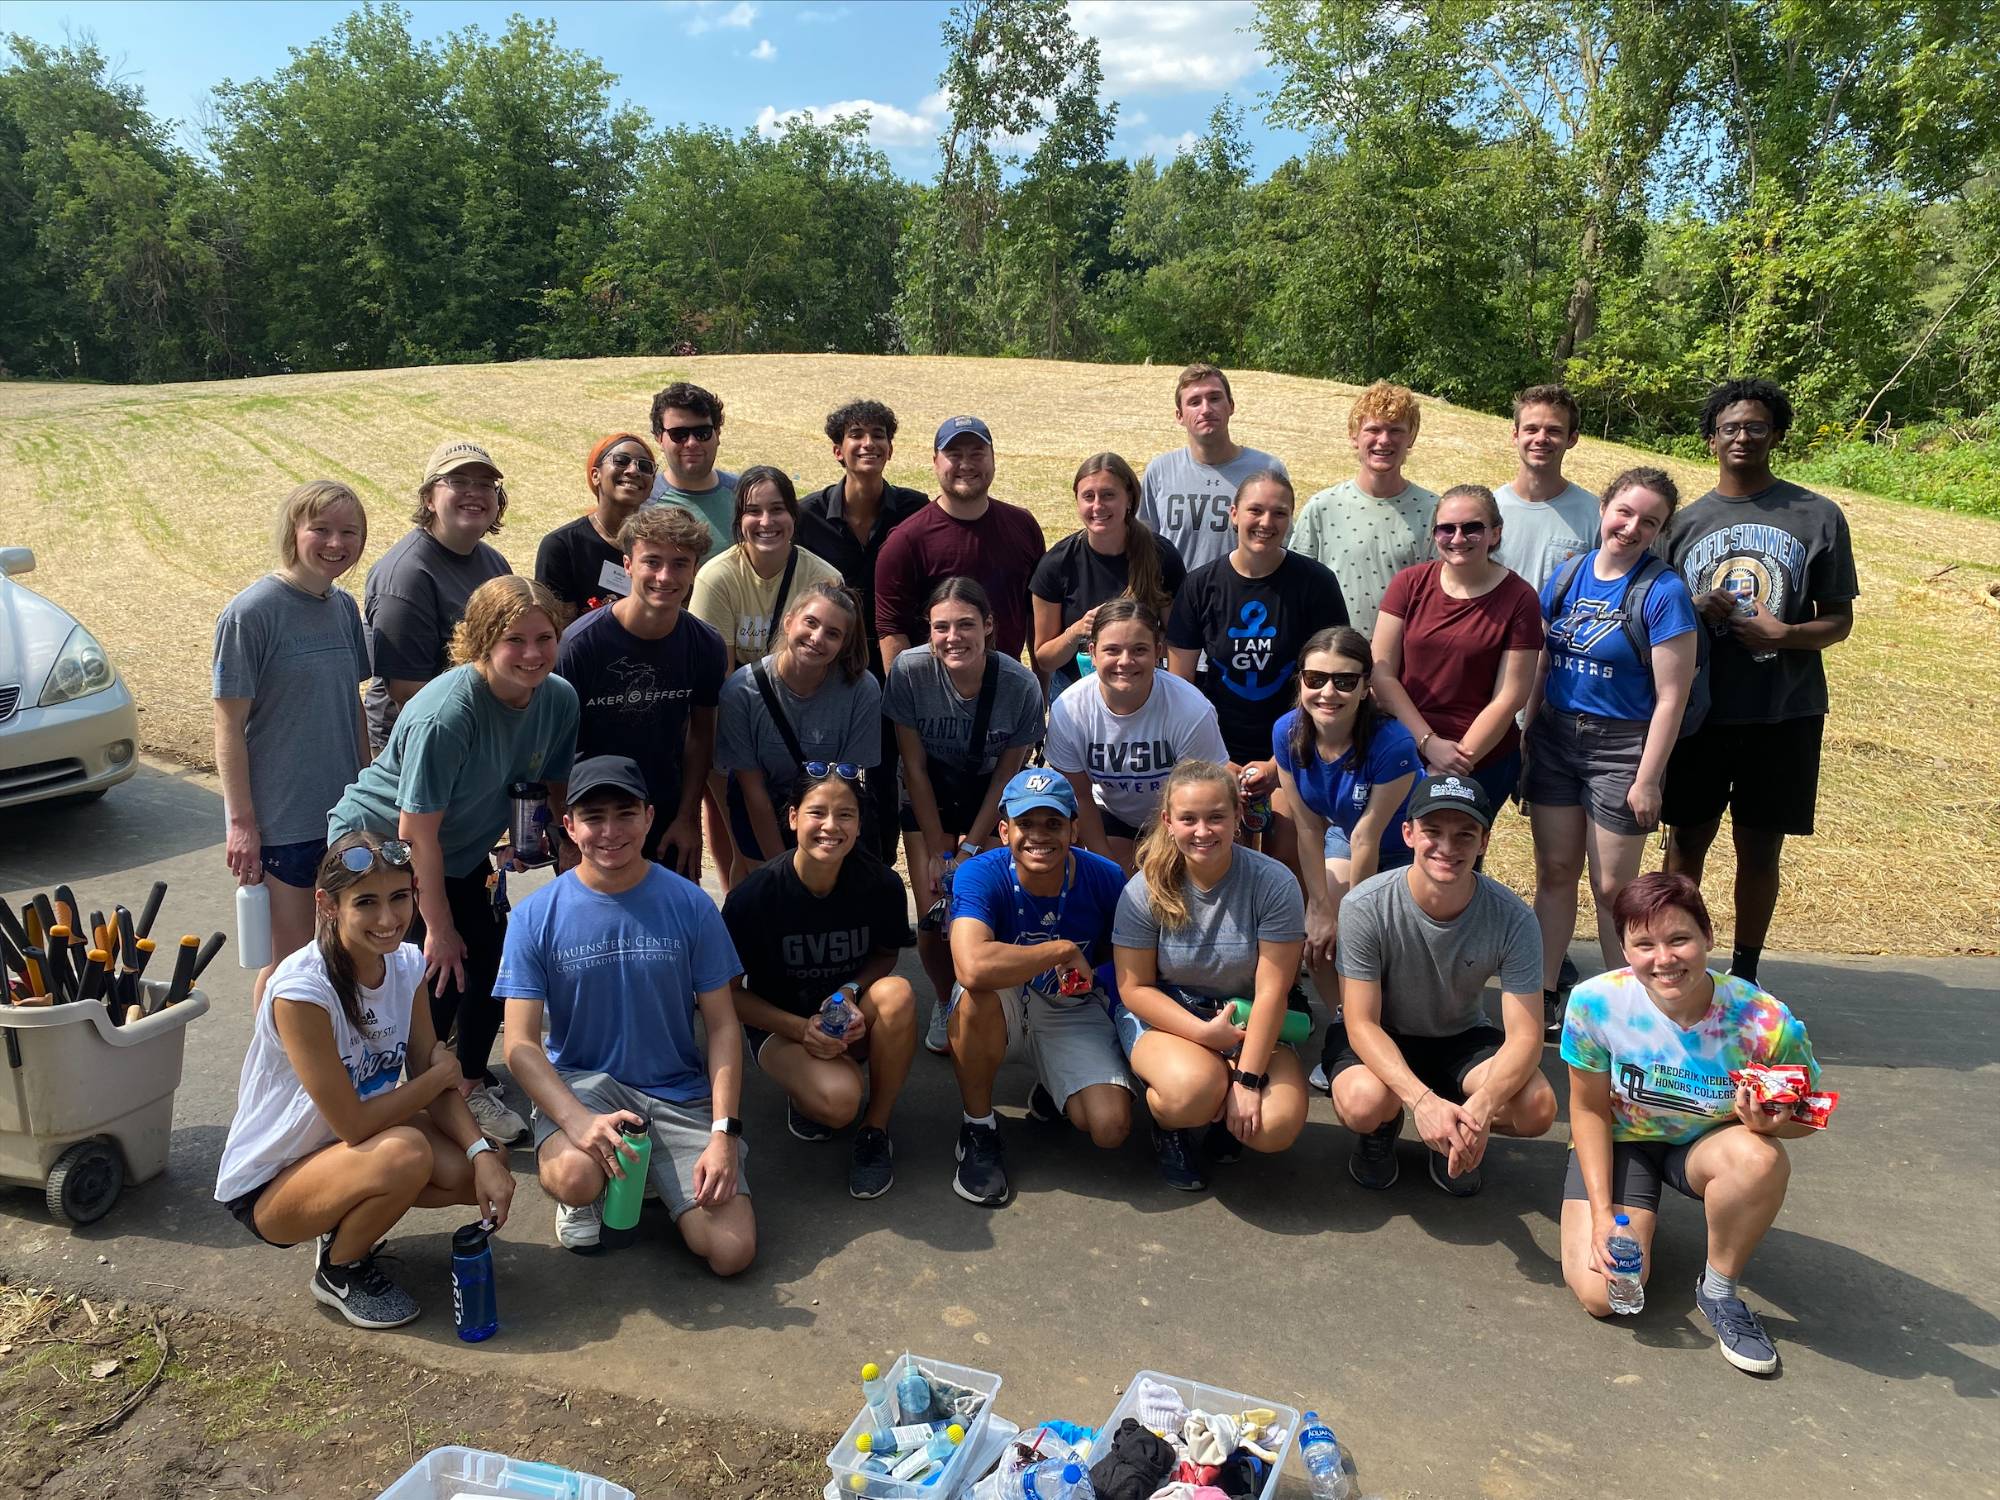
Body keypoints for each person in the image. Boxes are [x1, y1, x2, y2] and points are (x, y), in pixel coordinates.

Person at [214, 832, 516, 1329]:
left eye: (400, 898)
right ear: (328, 905)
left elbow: (427, 1068)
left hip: (346, 1148)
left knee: (485, 1163)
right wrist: (440, 1073)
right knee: (406, 1153)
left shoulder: (407, 965)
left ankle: (344, 1218)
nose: (388, 919)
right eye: (366, 903)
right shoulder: (301, 991)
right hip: (272, 1183)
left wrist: (480, 1154)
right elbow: (358, 1122)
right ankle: (339, 1269)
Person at [328, 575, 579, 1148]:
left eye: (545, 638)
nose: (534, 654)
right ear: (484, 641)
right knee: (430, 967)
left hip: (458, 846)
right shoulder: (448, 713)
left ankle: (465, 1084)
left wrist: (557, 849)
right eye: (516, 639)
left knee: (492, 958)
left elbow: (552, 786)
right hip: (381, 844)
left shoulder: (559, 698)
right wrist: (437, 926)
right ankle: (397, 1096)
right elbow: (415, 834)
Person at [1560, 872, 1822, 1375]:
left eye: (1679, 938)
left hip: (1705, 1145)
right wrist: (1600, 1216)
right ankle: (1627, 1216)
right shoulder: (1596, 1003)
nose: (1664, 959)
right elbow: (1588, 1110)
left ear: (1708, 937)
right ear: (1624, 948)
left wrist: (1773, 1125)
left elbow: (1807, 1118)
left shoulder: (1764, 1020)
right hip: (1623, 1141)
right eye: (1644, 944)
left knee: (1760, 1158)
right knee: (1604, 1297)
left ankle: (1720, 1290)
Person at [498, 756, 752, 1273]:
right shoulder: (534, 916)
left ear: (649, 817)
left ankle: (649, 1173)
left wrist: (725, 1133)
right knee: (575, 1174)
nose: (610, 832)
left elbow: (724, 1024)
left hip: (675, 1092)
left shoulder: (691, 903)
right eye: (593, 817)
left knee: (731, 1253)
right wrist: (577, 1121)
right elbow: (519, 1044)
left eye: (625, 814)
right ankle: (592, 1190)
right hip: (584, 1088)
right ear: (568, 826)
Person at [1661, 377, 1858, 987]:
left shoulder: (1818, 515)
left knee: (1759, 847)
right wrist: (1695, 605)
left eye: (1755, 427)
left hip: (1784, 711)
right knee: (1684, 842)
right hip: (1701, 712)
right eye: (1730, 428)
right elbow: (1658, 613)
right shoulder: (1683, 523)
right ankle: (1677, 964)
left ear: (1775, 435)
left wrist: (1784, 635)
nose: (1741, 437)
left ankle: (1746, 973)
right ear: (1710, 438)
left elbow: (1839, 620)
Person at [1525, 468, 1698, 1028]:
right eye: (1624, 512)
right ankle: (1545, 995)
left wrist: (1648, 778)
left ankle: (1622, 1003)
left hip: (1621, 747)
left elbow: (1672, 697)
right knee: (1554, 871)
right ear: (1605, 508)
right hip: (1555, 735)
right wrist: (1528, 727)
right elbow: (1544, 656)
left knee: (1612, 887)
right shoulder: (1569, 572)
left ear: (1661, 529)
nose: (1632, 527)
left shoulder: (1664, 592)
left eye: (1650, 521)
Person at [1330, 774, 1556, 1196]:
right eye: (1433, 832)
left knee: (1538, 1107)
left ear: (1485, 841)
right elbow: (1360, 1022)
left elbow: (1526, 1037)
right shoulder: (1364, 905)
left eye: (1464, 835)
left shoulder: (1514, 917)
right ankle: (1385, 1125)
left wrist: (1481, 1110)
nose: (1448, 848)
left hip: (1460, 1036)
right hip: (1385, 1031)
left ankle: (1456, 1129)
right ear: (1408, 833)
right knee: (1364, 1103)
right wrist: (1421, 1103)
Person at [1111, 761, 1309, 1191]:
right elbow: (1134, 988)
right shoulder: (1144, 889)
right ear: (1168, 821)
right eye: (1189, 819)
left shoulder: (1274, 883)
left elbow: (1274, 990)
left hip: (1248, 1016)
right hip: (1169, 1016)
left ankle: (1226, 1103)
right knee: (1190, 1091)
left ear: (1238, 815)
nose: (1203, 831)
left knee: (1274, 1128)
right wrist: (1204, 1034)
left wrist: (1248, 1079)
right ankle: (1171, 1126)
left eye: (1216, 816)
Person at [721, 765, 917, 1199]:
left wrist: (850, 990)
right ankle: (808, 1087)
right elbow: (726, 997)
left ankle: (875, 1130)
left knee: (898, 994)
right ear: (793, 818)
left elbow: (885, 954)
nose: (831, 826)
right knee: (839, 1103)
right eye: (817, 813)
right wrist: (799, 1029)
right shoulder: (753, 899)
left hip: (844, 1015)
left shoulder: (881, 884)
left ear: (860, 823)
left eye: (845, 814)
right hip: (779, 1027)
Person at [214, 480, 373, 1009]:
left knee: (339, 953)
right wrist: (242, 824)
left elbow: (352, 705)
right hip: (286, 822)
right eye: (321, 530)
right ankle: (269, 1079)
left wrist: (367, 789)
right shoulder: (251, 612)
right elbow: (228, 725)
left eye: (348, 532)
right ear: (293, 532)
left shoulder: (344, 608)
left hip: (343, 817)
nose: (335, 543)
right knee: (290, 964)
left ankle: (328, 1074)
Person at [945, 770, 1137, 1206]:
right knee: (977, 995)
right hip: (1003, 1000)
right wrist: (1060, 949)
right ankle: (978, 1127)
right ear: (1004, 829)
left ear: (1074, 827)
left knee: (1110, 1128)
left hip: (1069, 1005)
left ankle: (1053, 1085)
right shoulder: (979, 873)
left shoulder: (1106, 877)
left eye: (1053, 824)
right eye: (1026, 823)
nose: (1039, 836)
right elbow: (972, 966)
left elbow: (1126, 963)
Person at [885, 579, 1045, 1051]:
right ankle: (941, 997)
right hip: (928, 794)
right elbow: (912, 766)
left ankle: (999, 997)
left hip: (987, 799)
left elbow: (1006, 775)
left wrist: (970, 847)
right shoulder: (910, 672)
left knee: (981, 901)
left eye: (966, 625)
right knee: (933, 909)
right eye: (941, 627)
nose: (953, 637)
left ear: (989, 626)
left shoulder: (1019, 685)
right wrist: (939, 850)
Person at [1166, 470, 1347, 863]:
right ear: (1233, 514)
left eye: (1279, 513)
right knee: (1224, 854)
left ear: (1291, 519)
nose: (1266, 523)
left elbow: (1332, 684)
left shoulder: (1315, 584)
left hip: (1296, 745)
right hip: (1217, 745)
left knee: (1289, 846)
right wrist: (1214, 758)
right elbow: (1180, 687)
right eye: (1255, 510)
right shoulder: (1201, 586)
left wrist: (1276, 763)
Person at [555, 505, 725, 878]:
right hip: (595, 815)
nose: (665, 576)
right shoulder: (581, 645)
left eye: (680, 563)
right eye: (652, 562)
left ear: (696, 569)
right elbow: (555, 749)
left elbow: (700, 736)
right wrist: (566, 837)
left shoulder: (706, 644)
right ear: (628, 564)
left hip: (665, 814)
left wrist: (687, 818)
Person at [797, 399, 931, 859]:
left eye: (878, 434)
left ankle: (876, 872)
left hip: (894, 666)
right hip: (826, 669)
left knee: (887, 773)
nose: (868, 443)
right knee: (828, 776)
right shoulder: (806, 516)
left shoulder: (915, 510)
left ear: (891, 449)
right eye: (856, 435)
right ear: (838, 450)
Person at [1271, 627, 1420, 1017]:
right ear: (1300, 680)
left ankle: (1394, 1023)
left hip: (1409, 847)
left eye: (1345, 681)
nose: (1328, 692)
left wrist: (1352, 919)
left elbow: (1368, 837)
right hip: (1346, 835)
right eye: (1315, 679)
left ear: (1366, 686)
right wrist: (1320, 907)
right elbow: (1307, 827)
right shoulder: (1286, 732)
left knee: (1376, 940)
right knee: (1318, 936)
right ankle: (1348, 1023)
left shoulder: (1393, 744)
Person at [1371, 484, 1542, 810]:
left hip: (1481, 760)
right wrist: (1428, 743)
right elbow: (1382, 673)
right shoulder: (1408, 584)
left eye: (1472, 528)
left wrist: (1457, 761)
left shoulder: (1520, 598)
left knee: (1457, 857)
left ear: (1495, 533)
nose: (1458, 538)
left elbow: (1510, 696)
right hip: (1402, 748)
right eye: (1447, 528)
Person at [1046, 597, 1228, 871]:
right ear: (1093, 654)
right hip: (1111, 812)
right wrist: (1108, 869)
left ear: (1158, 652)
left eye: (1139, 650)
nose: (1125, 661)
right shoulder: (1069, 709)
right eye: (1112, 650)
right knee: (1118, 886)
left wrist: (1165, 858)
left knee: (1170, 882)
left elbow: (1205, 794)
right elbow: (1080, 797)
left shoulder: (1191, 708)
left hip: (1184, 818)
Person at [715, 581, 882, 880]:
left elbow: (851, 782)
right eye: (811, 623)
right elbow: (752, 789)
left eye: (832, 634)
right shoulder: (741, 691)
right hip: (763, 809)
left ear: (843, 644)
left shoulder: (862, 690)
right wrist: (783, 870)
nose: (817, 638)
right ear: (789, 621)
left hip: (830, 810)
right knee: (769, 890)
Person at [362, 440, 512, 750]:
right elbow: (407, 692)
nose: (474, 491)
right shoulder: (406, 576)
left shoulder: (494, 562)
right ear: (429, 498)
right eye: (458, 481)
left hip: (478, 726)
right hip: (418, 740)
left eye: (486, 484)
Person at [874, 416, 1046, 664]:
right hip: (935, 688)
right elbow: (891, 630)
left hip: (1006, 686)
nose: (966, 464)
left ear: (994, 459)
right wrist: (906, 696)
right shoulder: (906, 541)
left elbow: (1035, 615)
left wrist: (1038, 691)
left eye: (977, 454)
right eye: (954, 454)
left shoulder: (1023, 525)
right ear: (935, 462)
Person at [1288, 381, 1438, 637]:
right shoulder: (1321, 508)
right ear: (1353, 436)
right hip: (1332, 663)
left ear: (1411, 436)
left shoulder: (1435, 512)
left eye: (1396, 430)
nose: (1384, 440)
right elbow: (1294, 589)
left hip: (1404, 664)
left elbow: (1440, 597)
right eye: (1373, 429)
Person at [1034, 453, 1187, 699]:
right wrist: (1076, 631)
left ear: (1129, 499)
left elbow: (1180, 642)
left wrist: (1134, 640)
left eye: (1108, 495)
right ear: (1077, 502)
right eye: (1088, 496)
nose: (1097, 506)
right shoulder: (1056, 564)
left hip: (1143, 689)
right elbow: (1045, 658)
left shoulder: (1161, 556)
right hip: (1075, 694)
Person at [1137, 363, 1289, 573]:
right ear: (1179, 416)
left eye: (1215, 398)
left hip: (1244, 601)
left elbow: (1282, 545)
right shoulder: (1160, 471)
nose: (1206, 409)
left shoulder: (1267, 469)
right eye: (1194, 402)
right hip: (1176, 601)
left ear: (1231, 406)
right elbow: (1143, 547)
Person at [691, 466, 846, 671]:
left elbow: (832, 667)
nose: (766, 522)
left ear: (794, 514)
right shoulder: (715, 579)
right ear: (739, 519)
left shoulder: (826, 579)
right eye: (753, 511)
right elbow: (717, 674)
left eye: (777, 509)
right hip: (738, 696)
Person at [535, 433, 658, 620]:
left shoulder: (661, 546)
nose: (633, 470)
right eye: (621, 460)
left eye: (645, 466)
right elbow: (557, 628)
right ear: (595, 475)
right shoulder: (562, 546)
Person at [1492, 385, 1600, 592]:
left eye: (1554, 430)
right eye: (1531, 429)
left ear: (1572, 439)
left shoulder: (1595, 515)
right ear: (1515, 435)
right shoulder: (1489, 509)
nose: (1541, 438)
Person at [648, 381, 739, 554]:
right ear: (659, 438)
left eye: (702, 433)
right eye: (679, 434)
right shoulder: (643, 502)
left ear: (717, 434)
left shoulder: (747, 496)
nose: (691, 443)